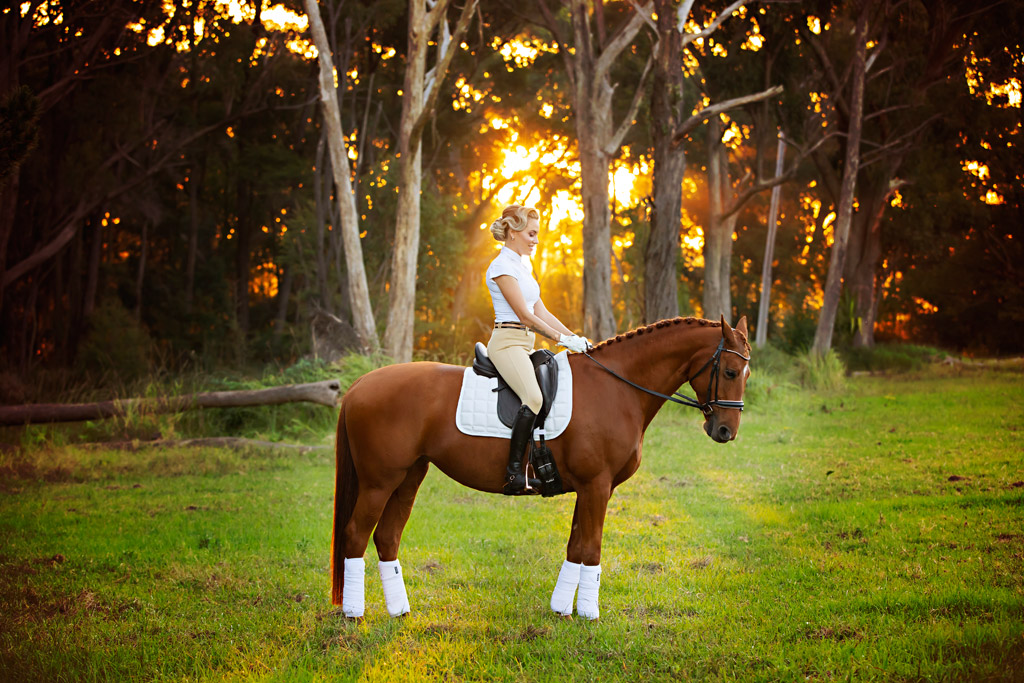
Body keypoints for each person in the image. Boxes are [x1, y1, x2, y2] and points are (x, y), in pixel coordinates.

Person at [485, 204, 590, 495]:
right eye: (531, 234)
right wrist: (561, 340)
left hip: (525, 344)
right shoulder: (502, 267)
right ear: (514, 231)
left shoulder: (523, 266)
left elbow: (540, 310)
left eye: (537, 235)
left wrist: (575, 339)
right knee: (533, 397)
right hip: (507, 343)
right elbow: (524, 315)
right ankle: (513, 473)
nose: (535, 240)